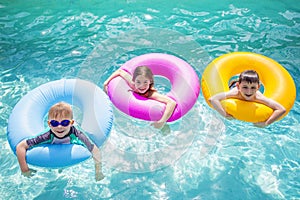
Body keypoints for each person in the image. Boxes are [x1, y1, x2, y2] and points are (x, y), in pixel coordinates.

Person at [16, 102, 105, 181]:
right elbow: (21, 146)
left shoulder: (77, 135)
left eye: (65, 123)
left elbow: (95, 150)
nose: (59, 127)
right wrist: (25, 170)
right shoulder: (46, 136)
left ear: (71, 123)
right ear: (49, 124)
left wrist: (98, 172)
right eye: (54, 123)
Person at [103, 66, 176, 129]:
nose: (142, 86)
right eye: (138, 82)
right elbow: (120, 72)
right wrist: (106, 82)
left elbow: (171, 103)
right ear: (134, 80)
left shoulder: (150, 94)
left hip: (154, 113)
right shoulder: (132, 84)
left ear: (150, 82)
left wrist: (162, 122)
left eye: (145, 82)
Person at [208, 70, 286, 127]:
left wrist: (266, 123)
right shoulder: (234, 93)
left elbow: (281, 109)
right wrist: (224, 114)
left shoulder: (258, 97)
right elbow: (212, 99)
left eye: (253, 88)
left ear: (258, 87)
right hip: (235, 86)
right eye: (245, 87)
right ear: (239, 87)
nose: (249, 92)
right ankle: (235, 82)